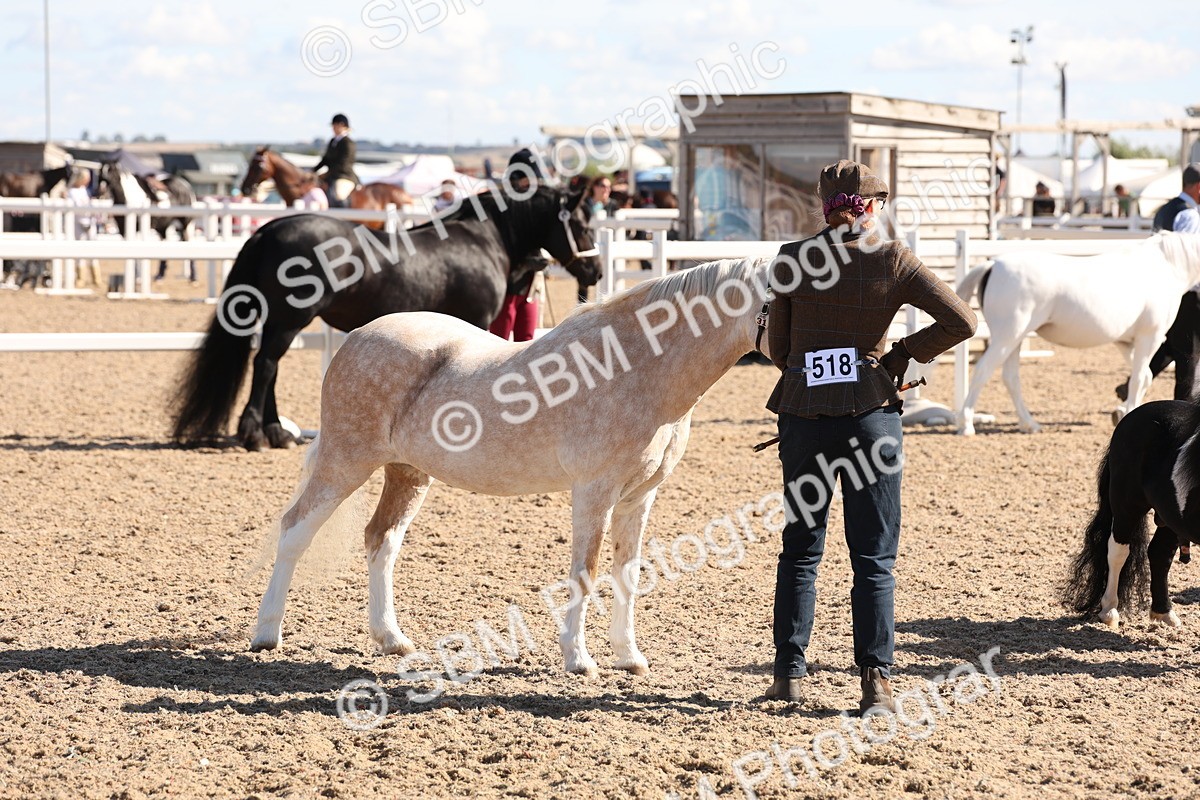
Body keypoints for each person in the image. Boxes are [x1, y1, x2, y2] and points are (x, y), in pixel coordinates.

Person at [764, 160, 976, 712]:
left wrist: (815, 367)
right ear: (877, 205)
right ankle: (875, 681)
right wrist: (901, 356)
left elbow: (781, 350)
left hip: (804, 416)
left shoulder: (791, 260)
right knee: (874, 558)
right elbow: (962, 322)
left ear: (823, 207)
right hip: (870, 416)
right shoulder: (895, 260)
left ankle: (789, 673)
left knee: (800, 551)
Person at [1118, 164, 1200, 401]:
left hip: (1165, 289)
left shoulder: (1165, 209)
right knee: (1189, 356)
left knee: (1170, 346)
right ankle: (1184, 409)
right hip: (1187, 293)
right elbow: (1191, 257)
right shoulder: (1189, 215)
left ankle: (1132, 383)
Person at [488, 150, 547, 342]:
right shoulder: (501, 207)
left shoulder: (537, 206)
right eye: (529, 179)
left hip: (530, 285)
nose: (534, 184)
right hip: (506, 286)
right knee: (499, 341)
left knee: (528, 343)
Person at [313, 113, 359, 208]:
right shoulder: (333, 141)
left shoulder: (348, 143)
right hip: (331, 176)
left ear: (342, 125)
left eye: (335, 125)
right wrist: (313, 171)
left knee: (339, 194)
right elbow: (325, 159)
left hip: (344, 176)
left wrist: (327, 174)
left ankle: (343, 218)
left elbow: (344, 164)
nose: (333, 128)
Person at [67, 169, 101, 288]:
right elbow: (78, 206)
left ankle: (96, 278)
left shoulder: (84, 191)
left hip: (89, 221)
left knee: (93, 250)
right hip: (78, 222)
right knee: (80, 250)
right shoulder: (72, 192)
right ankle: (81, 278)